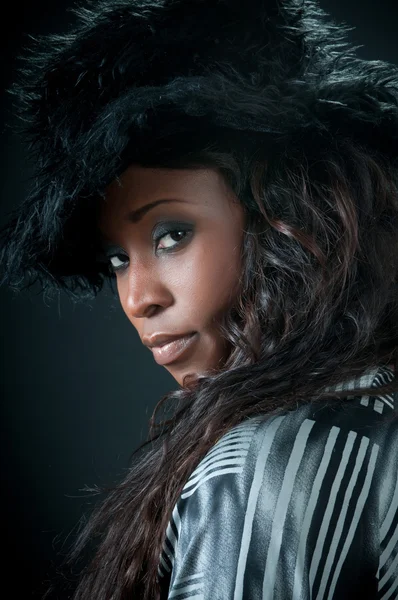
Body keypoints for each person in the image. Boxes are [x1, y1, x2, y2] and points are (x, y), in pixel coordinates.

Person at [0, 0, 397, 598]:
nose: (137, 298)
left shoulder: (273, 464)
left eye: (171, 234)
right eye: (117, 258)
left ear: (286, 215)